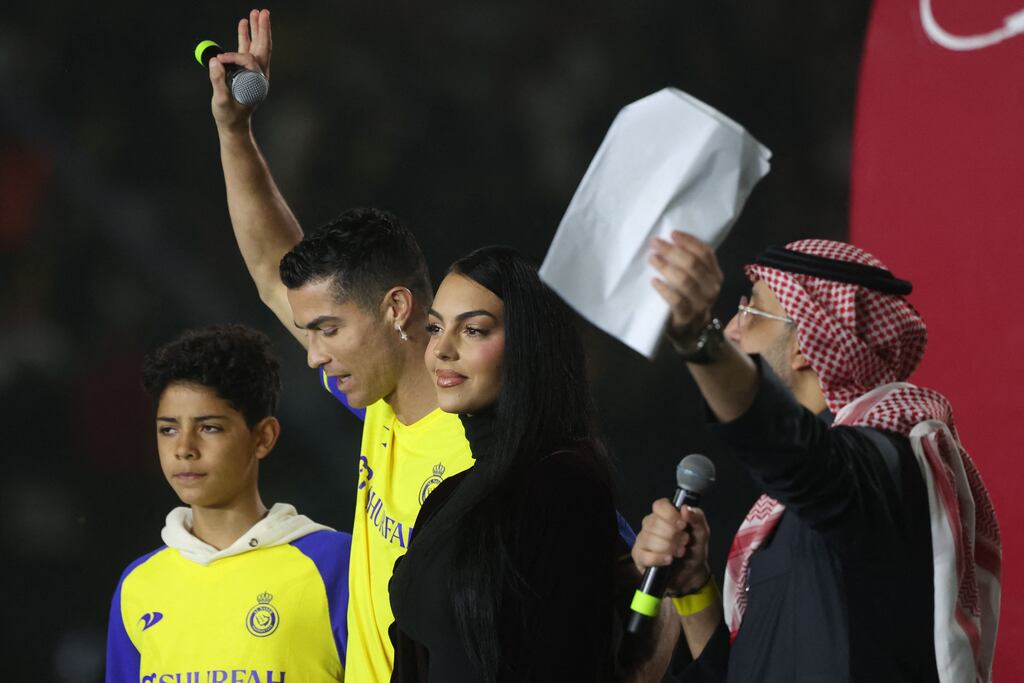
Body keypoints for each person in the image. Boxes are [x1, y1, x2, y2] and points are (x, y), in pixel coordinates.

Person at [206, 11, 475, 681]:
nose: (312, 354)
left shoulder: (493, 448)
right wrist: (234, 132)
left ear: (396, 308)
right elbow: (274, 272)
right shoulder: (378, 400)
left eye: (327, 330)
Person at [632, 235, 1001, 682]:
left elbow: (789, 448)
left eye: (752, 312)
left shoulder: (884, 465)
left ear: (808, 343)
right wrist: (693, 588)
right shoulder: (787, 509)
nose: (732, 327)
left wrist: (699, 339)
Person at [388, 246, 633, 682]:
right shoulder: (448, 497)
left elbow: (566, 662)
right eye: (435, 327)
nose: (441, 349)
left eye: (474, 331)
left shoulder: (564, 485)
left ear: (528, 345)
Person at [105, 324, 351, 682]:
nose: (184, 448)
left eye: (209, 427)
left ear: (263, 437)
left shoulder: (335, 563)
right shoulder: (138, 586)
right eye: (168, 428)